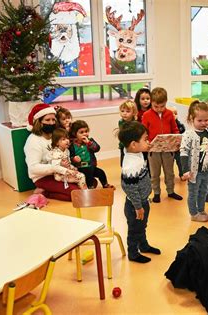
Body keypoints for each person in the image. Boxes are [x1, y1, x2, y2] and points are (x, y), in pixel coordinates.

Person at [118, 121, 161, 263]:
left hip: (142, 201)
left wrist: (146, 145)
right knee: (135, 230)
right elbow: (128, 187)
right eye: (145, 139)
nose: (148, 142)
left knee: (142, 226)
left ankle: (143, 245)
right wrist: (138, 207)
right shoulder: (131, 164)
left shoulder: (134, 152)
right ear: (133, 144)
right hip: (135, 205)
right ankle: (133, 253)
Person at [24, 103, 80, 201]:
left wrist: (65, 164)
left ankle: (48, 190)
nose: (51, 123)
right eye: (47, 120)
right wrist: (57, 168)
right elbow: (33, 168)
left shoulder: (55, 136)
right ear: (39, 122)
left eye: (53, 120)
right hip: (43, 177)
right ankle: (45, 192)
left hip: (60, 173)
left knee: (88, 182)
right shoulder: (33, 141)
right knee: (76, 194)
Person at [141, 87, 182, 203]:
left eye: (162, 106)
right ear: (151, 103)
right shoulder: (147, 115)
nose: (159, 109)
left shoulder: (169, 114)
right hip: (153, 150)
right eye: (156, 106)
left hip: (168, 150)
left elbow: (175, 129)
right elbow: (144, 132)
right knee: (154, 174)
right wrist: (146, 142)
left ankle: (171, 191)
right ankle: (157, 193)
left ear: (166, 102)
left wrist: (177, 139)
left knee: (169, 173)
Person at [180, 101, 208, 222]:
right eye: (199, 120)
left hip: (206, 170)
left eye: (206, 120)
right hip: (194, 172)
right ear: (192, 119)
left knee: (203, 192)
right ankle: (194, 214)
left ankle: (201, 210)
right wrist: (185, 170)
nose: (203, 123)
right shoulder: (189, 134)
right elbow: (184, 152)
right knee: (193, 193)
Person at [69, 120, 114, 189]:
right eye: (81, 132)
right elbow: (69, 157)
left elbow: (97, 148)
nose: (85, 134)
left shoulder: (90, 141)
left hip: (91, 166)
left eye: (86, 131)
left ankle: (105, 185)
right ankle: (90, 188)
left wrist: (89, 143)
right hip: (80, 169)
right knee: (88, 174)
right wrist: (74, 159)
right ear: (75, 134)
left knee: (101, 172)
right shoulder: (72, 145)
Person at [168, 105, 186, 178]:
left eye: (175, 113)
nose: (174, 115)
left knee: (180, 161)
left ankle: (182, 174)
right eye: (172, 113)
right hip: (169, 148)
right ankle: (169, 175)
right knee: (169, 163)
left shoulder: (178, 123)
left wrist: (176, 121)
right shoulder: (166, 124)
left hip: (178, 147)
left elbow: (182, 129)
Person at [118, 99, 138, 165]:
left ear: (133, 113)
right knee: (123, 163)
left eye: (128, 111)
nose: (124, 113)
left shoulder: (135, 123)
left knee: (133, 162)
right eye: (122, 111)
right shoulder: (121, 122)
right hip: (123, 145)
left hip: (133, 146)